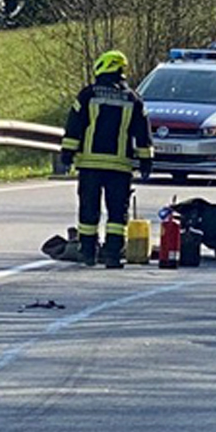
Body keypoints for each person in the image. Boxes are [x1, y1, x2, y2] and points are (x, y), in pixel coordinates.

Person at [60, 50, 153, 269]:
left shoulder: (88, 95)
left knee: (89, 210)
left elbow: (75, 126)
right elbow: (143, 133)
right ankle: (112, 254)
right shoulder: (133, 99)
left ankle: (88, 252)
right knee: (116, 214)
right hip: (120, 167)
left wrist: (67, 153)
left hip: (90, 165)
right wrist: (146, 161)